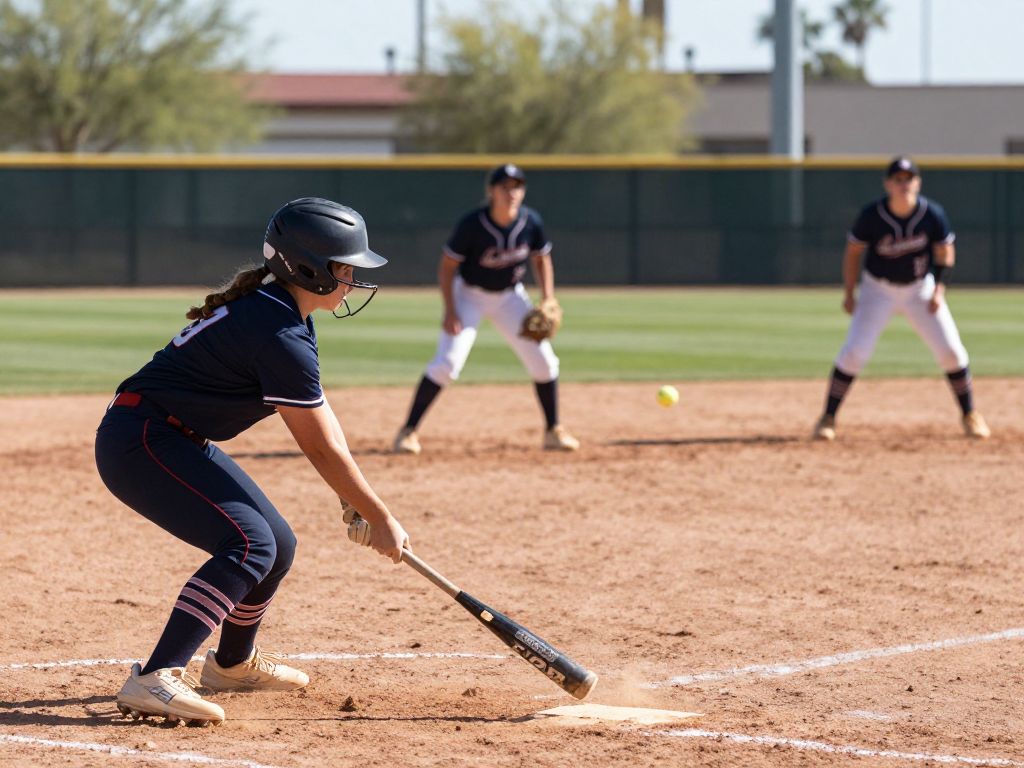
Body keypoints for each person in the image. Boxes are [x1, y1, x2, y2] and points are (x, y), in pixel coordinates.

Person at [95, 198, 410, 726]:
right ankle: (156, 676)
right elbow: (319, 446)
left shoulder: (282, 312)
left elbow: (323, 423)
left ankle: (232, 664)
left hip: (165, 435)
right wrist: (377, 515)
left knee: (278, 543)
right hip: (141, 441)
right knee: (248, 544)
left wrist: (353, 499)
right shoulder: (278, 332)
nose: (353, 277)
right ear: (307, 267)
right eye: (344, 266)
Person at [393, 163, 579, 454]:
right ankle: (408, 431)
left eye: (517, 186)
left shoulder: (531, 222)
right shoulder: (473, 224)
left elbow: (542, 259)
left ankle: (553, 431)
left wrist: (548, 298)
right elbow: (447, 267)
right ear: (491, 191)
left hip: (510, 297)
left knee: (544, 362)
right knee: (447, 364)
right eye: (504, 186)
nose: (511, 192)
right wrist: (451, 310)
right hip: (469, 295)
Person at [812, 157, 990, 441]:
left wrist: (939, 290)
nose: (904, 184)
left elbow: (945, 252)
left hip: (920, 289)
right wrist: (849, 292)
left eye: (909, 178)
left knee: (951, 352)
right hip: (876, 290)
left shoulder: (933, 214)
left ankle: (970, 415)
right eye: (898, 179)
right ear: (888, 184)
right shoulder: (872, 215)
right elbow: (853, 252)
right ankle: (827, 417)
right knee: (855, 353)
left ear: (917, 183)